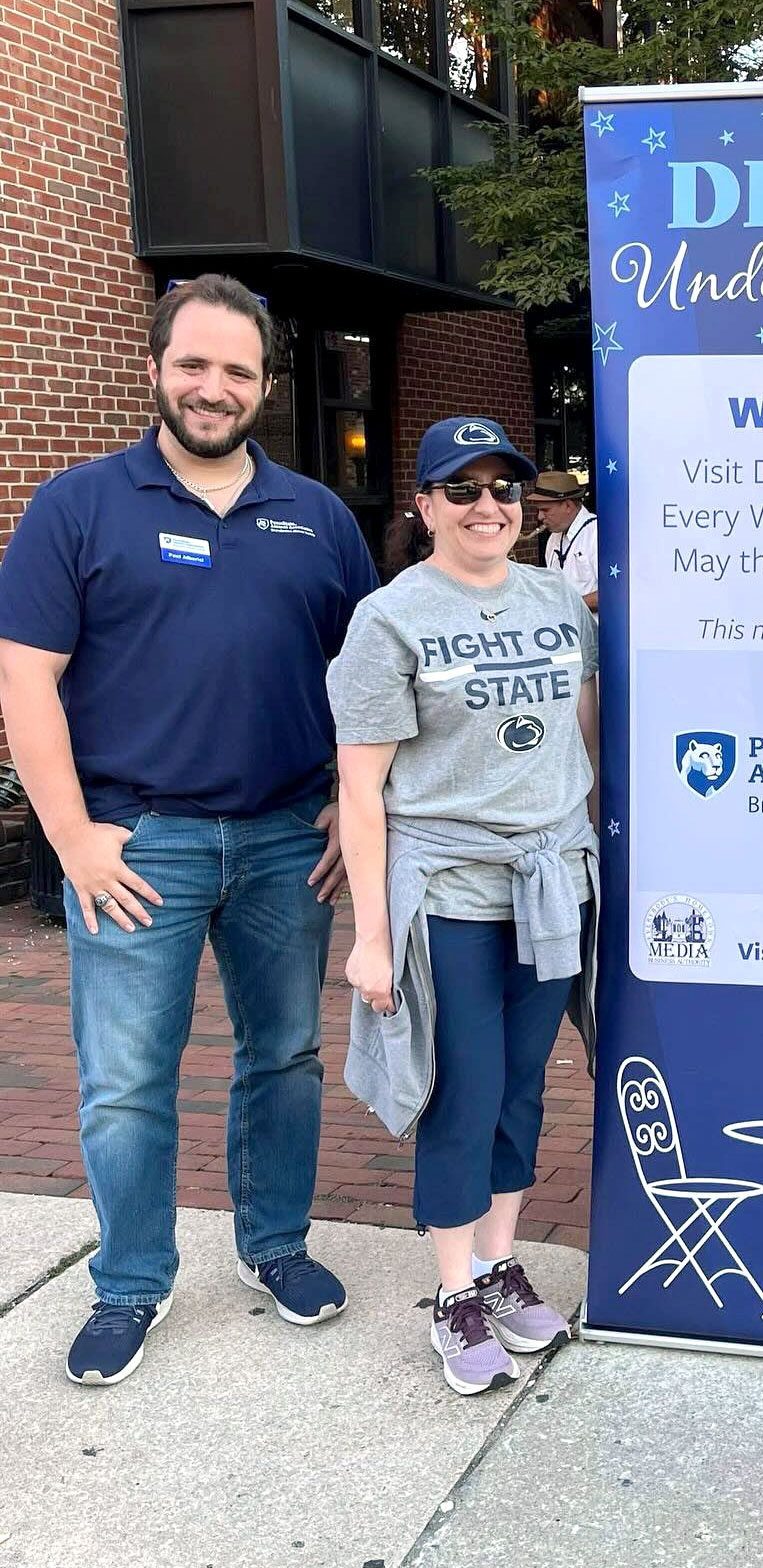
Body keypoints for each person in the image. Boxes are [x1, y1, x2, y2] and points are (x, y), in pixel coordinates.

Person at [0, 274, 379, 1385]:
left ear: (266, 383)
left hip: (280, 841)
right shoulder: (79, 505)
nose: (214, 388)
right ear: (155, 368)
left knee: (287, 1056)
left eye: (238, 370)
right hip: (134, 843)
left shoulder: (317, 517)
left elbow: (370, 685)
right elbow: (25, 683)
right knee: (125, 1076)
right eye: (194, 364)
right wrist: (71, 838)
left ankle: (274, 1245)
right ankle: (129, 1281)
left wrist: (353, 815)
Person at [327, 416, 598, 1396]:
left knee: (525, 1086)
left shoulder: (558, 599)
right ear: (426, 505)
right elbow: (363, 791)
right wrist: (367, 936)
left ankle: (497, 1262)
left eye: (504, 488)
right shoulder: (390, 619)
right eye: (464, 488)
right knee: (463, 1088)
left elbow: (582, 736)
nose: (489, 505)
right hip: (448, 893)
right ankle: (453, 1291)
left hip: (551, 885)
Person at [533, 471, 599, 612]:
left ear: (568, 506)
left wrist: (566, 607)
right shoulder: (554, 538)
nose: (540, 517)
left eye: (545, 510)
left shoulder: (597, 533)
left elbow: (613, 593)